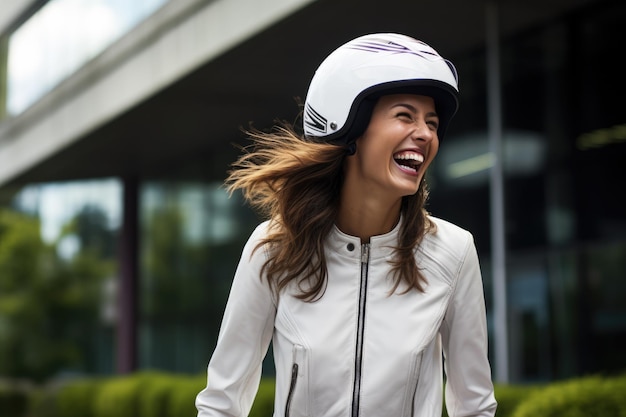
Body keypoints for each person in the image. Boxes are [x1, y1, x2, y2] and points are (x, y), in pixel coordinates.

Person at [195, 33, 497, 417]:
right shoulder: (273, 247)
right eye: (405, 115)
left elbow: (474, 407)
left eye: (432, 122)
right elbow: (221, 403)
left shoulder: (453, 252)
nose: (425, 134)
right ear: (349, 126)